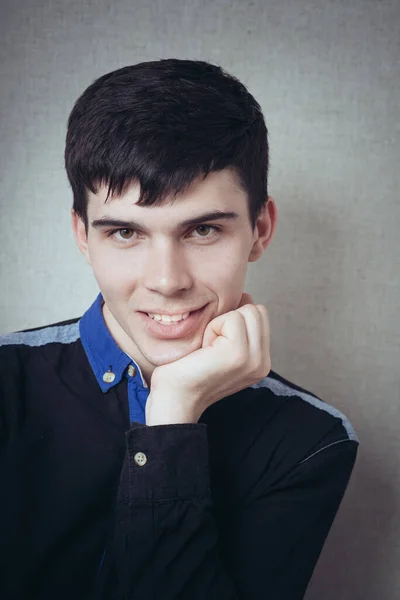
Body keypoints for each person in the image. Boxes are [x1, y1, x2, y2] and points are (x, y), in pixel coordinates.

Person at [0, 59, 359, 600]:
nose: (167, 281)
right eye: (125, 232)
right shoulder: (6, 382)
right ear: (82, 234)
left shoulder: (311, 442)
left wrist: (172, 419)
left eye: (204, 229)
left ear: (259, 231)